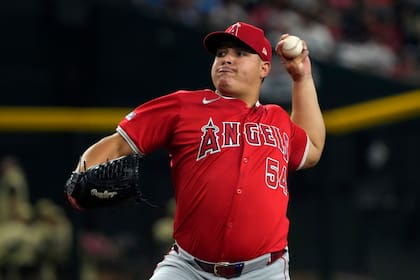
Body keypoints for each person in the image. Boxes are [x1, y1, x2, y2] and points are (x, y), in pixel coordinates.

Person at [66, 21, 325, 279]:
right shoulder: (184, 106)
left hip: (264, 270)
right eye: (221, 54)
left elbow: (312, 149)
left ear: (264, 68)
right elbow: (118, 143)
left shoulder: (276, 119)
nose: (227, 60)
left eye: (240, 54)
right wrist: (79, 177)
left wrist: (301, 77)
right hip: (188, 268)